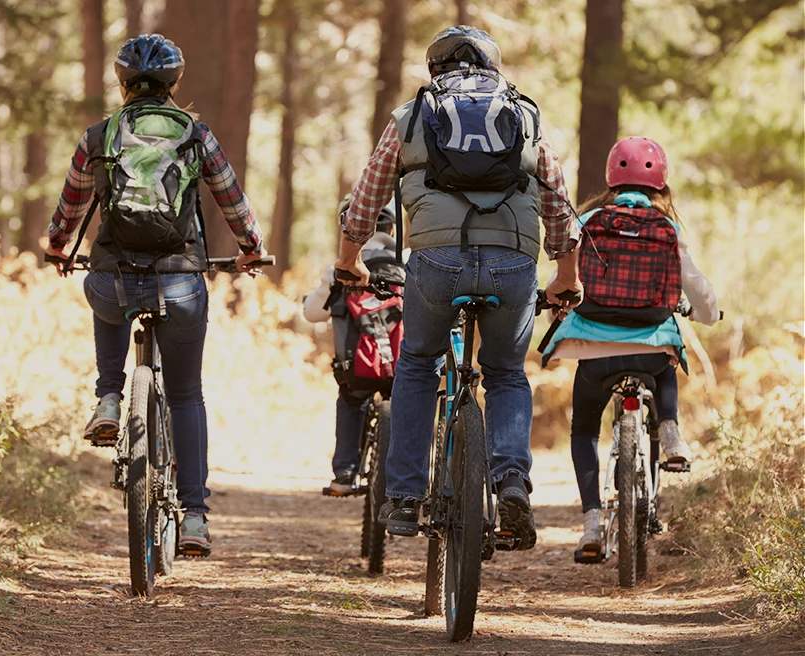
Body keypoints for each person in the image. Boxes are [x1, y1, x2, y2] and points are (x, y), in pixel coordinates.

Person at [335, 26, 582, 548]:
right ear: (493, 67)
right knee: (507, 374)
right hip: (513, 264)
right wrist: (566, 274)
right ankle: (511, 479)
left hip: (436, 263)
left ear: (434, 69)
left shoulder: (412, 115)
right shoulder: (526, 114)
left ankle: (402, 497)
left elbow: (365, 201)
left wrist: (349, 262)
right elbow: (558, 199)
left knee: (418, 364)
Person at [44, 34, 267, 556]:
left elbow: (70, 207)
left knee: (107, 292)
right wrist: (251, 248)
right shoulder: (197, 135)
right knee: (187, 394)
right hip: (181, 279)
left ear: (122, 84)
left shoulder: (99, 136)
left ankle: (108, 395)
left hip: (113, 277)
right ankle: (193, 517)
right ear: (174, 85)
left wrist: (58, 246)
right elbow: (232, 200)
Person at [541, 137, 720, 554]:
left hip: (594, 350)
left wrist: (556, 315)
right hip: (650, 347)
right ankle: (670, 431)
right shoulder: (668, 229)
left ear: (611, 179)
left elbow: (564, 282)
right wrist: (709, 315)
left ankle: (590, 523)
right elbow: (699, 289)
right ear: (660, 184)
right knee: (666, 361)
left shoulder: (588, 221)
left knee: (584, 430)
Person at [303, 198, 405, 494]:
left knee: (351, 398)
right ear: (391, 227)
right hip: (403, 365)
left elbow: (312, 313)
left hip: (356, 367)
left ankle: (345, 474)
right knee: (409, 403)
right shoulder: (407, 260)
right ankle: (408, 481)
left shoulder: (340, 268)